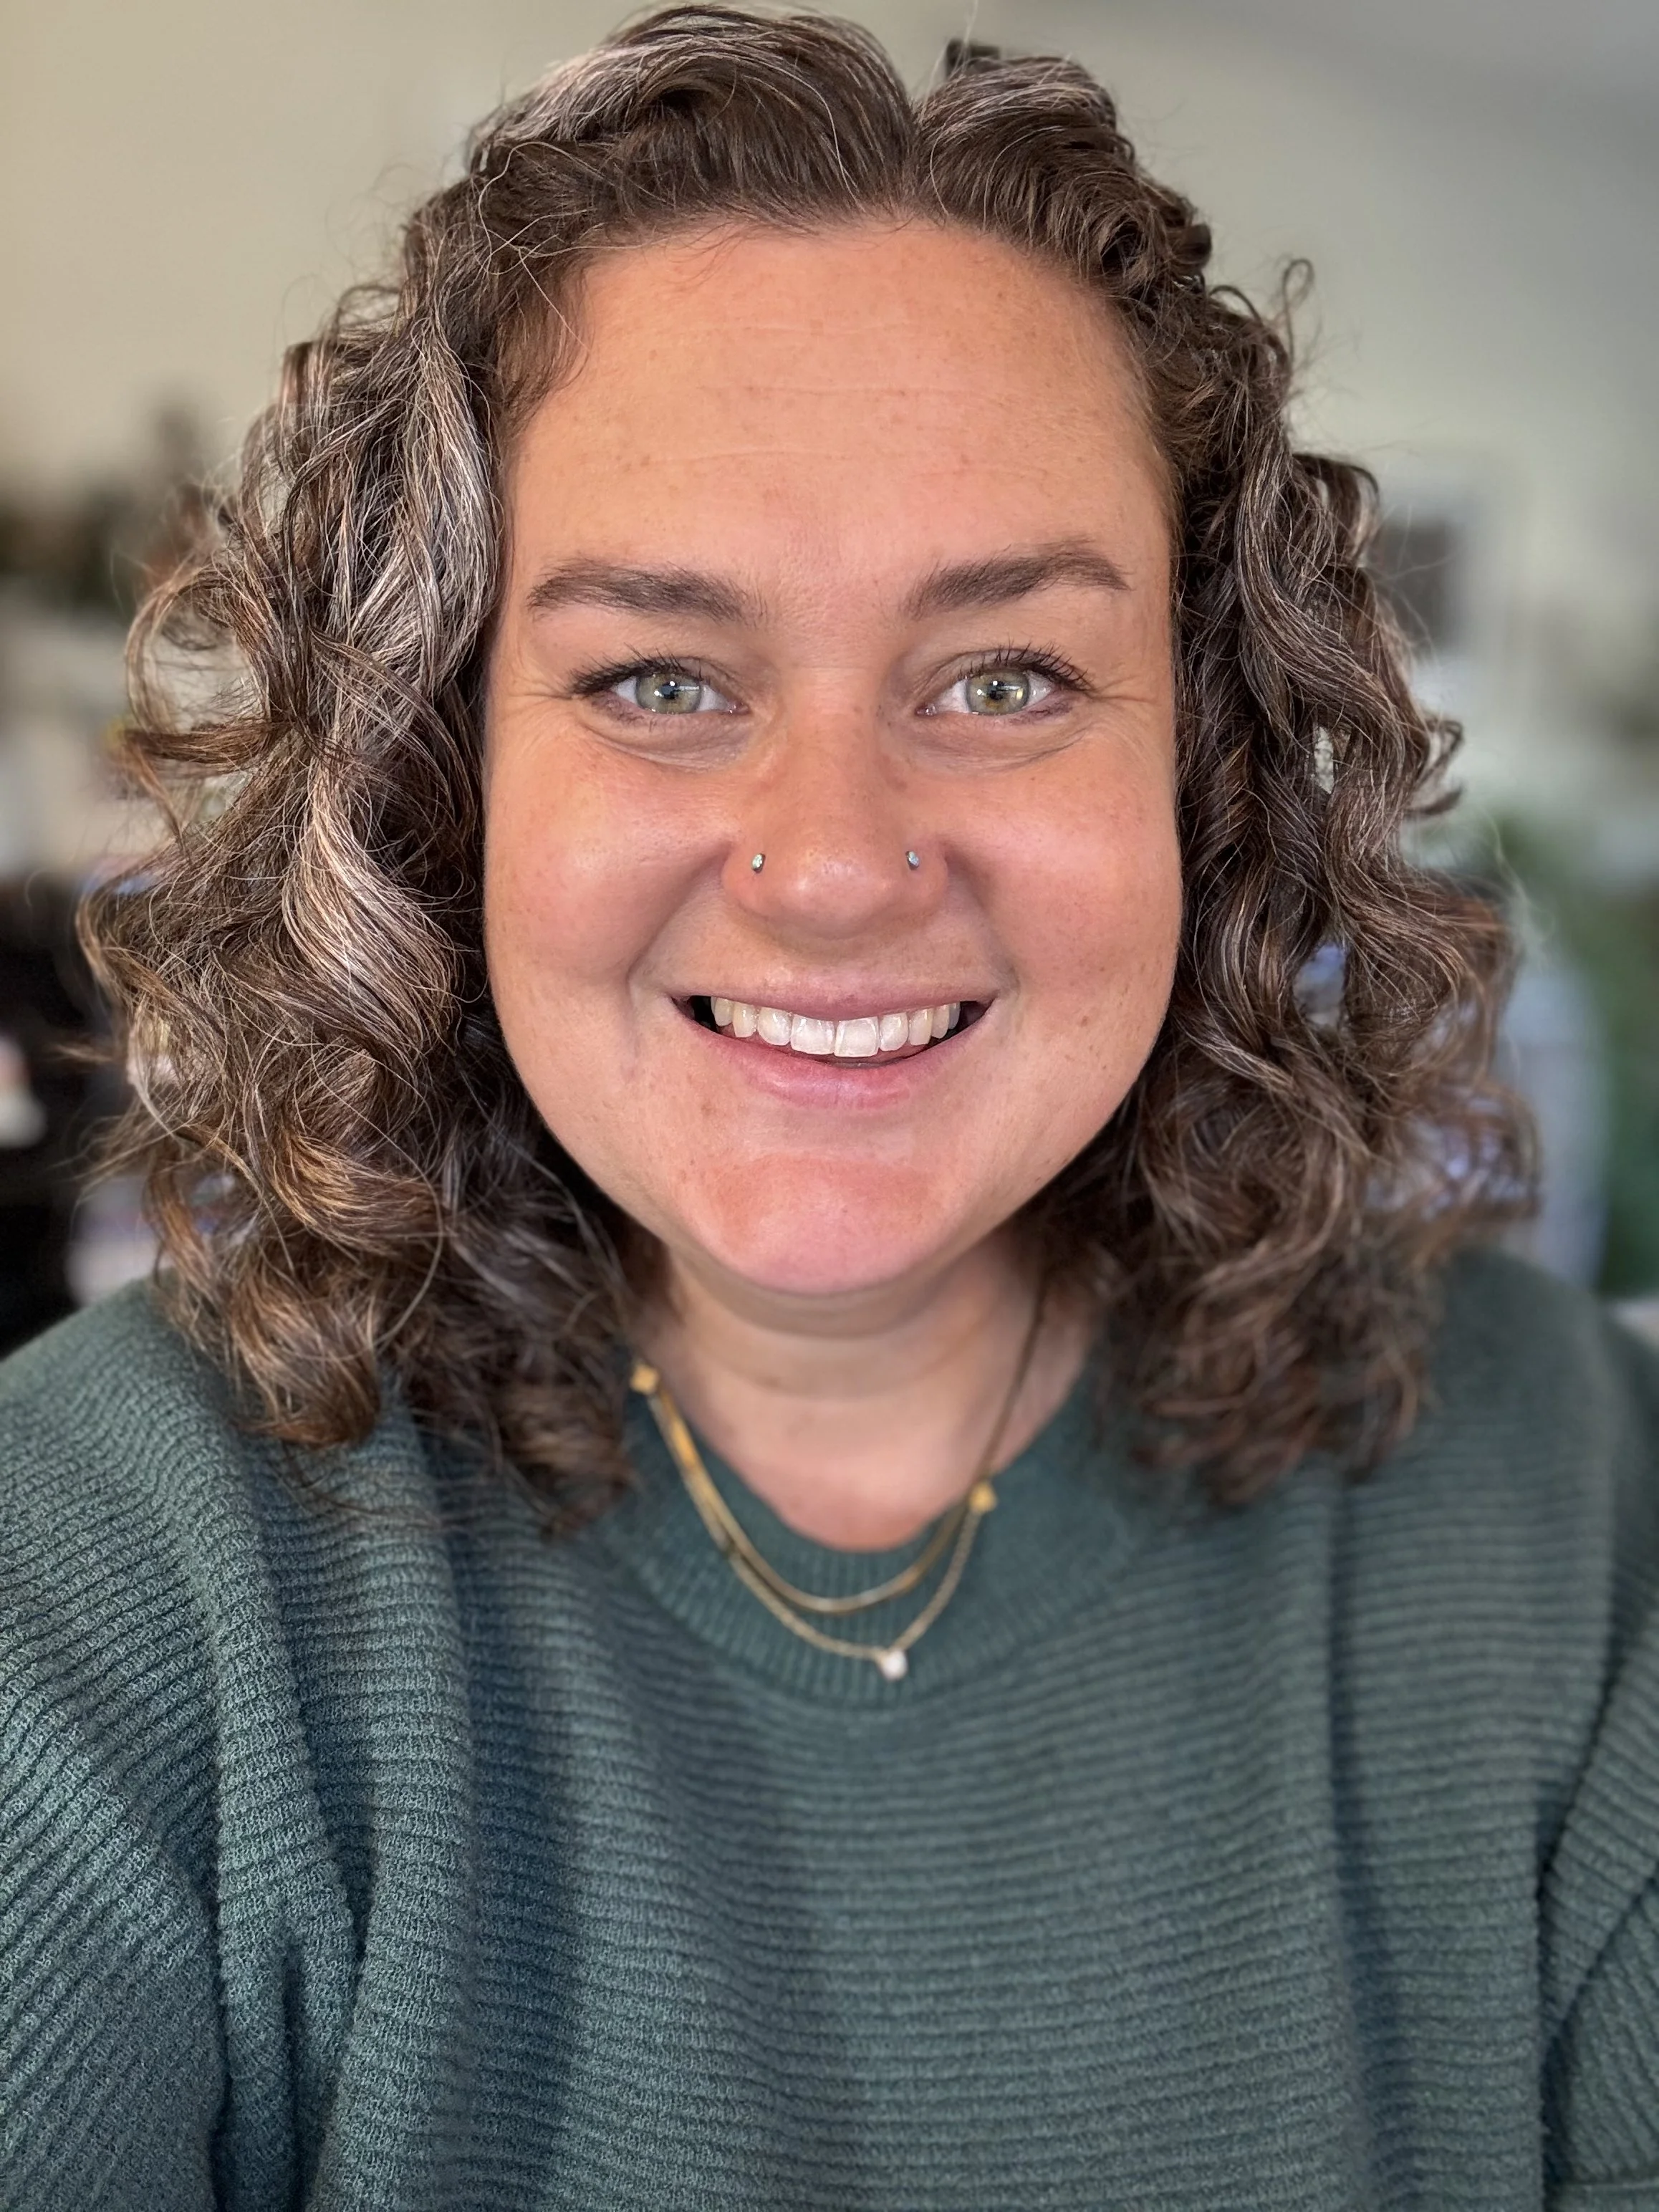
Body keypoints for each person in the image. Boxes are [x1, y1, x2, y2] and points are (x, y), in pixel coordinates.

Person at [3, 9, 1655, 2206]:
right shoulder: (104, 1557)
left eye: (1003, 676)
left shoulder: (1572, 1508)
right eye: (659, 678)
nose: (833, 863)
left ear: (1207, 769)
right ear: (439, 777)